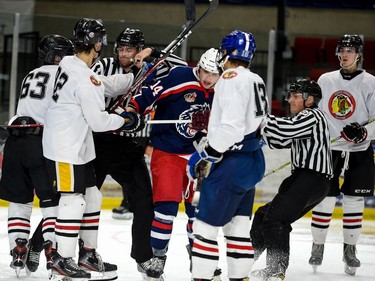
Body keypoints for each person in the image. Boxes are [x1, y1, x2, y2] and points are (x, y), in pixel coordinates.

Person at [42, 18, 141, 280]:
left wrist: (135, 76)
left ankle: (87, 255)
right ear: (97, 43)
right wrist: (126, 120)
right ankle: (62, 259)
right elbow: (98, 122)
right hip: (65, 148)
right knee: (73, 201)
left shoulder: (70, 64)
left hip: (74, 146)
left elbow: (103, 84)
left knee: (92, 197)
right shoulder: (84, 78)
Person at [90, 27, 187, 277]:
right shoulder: (104, 67)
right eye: (121, 49)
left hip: (128, 147)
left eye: (129, 50)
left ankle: (144, 258)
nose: (124, 54)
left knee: (145, 201)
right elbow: (89, 96)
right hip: (97, 143)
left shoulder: (149, 70)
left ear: (138, 50)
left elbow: (183, 67)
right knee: (82, 200)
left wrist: (152, 53)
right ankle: (64, 251)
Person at [126, 47, 220, 280]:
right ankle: (158, 258)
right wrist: (132, 111)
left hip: (199, 157)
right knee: (165, 211)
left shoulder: (224, 89)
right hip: (168, 153)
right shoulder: (180, 77)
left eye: (213, 74)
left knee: (198, 214)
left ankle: (199, 258)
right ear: (198, 66)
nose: (208, 78)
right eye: (205, 72)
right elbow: (148, 94)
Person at [187, 30, 268, 281]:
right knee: (237, 228)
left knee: (204, 229)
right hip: (252, 160)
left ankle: (202, 278)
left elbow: (232, 129)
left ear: (227, 52)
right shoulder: (256, 78)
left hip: (232, 161)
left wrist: (207, 154)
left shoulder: (230, 77)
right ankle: (239, 278)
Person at [0, 34, 74, 278]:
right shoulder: (63, 75)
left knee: (20, 203)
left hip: (14, 143)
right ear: (58, 55)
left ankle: (18, 250)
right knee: (52, 202)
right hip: (40, 142)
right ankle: (52, 252)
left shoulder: (30, 75)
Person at [249, 79, 332, 281]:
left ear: (310, 99)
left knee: (276, 218)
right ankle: (246, 258)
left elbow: (285, 130)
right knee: (263, 215)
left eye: (295, 96)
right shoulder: (303, 119)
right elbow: (280, 140)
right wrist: (258, 132)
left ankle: (276, 268)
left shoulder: (312, 116)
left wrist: (259, 118)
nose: (290, 100)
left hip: (311, 179)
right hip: (304, 180)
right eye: (290, 96)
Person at [308, 34, 375, 276]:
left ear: (359, 54)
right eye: (342, 50)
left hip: (359, 150)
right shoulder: (326, 80)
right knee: (324, 198)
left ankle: (350, 249)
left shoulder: (370, 82)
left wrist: (363, 131)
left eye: (350, 50)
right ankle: (318, 245)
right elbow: (316, 113)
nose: (345, 54)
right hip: (330, 149)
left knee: (354, 201)